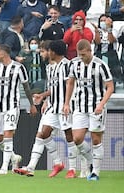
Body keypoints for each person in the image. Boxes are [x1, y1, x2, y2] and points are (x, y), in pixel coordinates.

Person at [14, 40, 77, 178]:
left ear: (52, 52)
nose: (46, 53)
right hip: (53, 105)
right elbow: (54, 88)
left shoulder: (68, 65)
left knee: (69, 136)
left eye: (48, 51)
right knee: (43, 133)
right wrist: (44, 97)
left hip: (65, 106)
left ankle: (72, 168)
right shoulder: (50, 67)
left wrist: (67, 103)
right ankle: (39, 166)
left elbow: (70, 85)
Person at [63, 39, 114, 181]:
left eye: (84, 55)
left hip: (96, 107)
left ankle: (95, 172)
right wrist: (66, 103)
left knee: (96, 139)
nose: (82, 57)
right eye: (79, 55)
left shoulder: (100, 65)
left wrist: (102, 104)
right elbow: (70, 83)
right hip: (80, 107)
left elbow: (110, 87)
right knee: (77, 138)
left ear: (90, 51)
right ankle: (91, 161)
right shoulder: (74, 64)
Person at [0, 44, 37, 175]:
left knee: (8, 134)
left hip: (12, 106)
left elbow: (26, 87)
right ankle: (14, 157)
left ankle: (4, 167)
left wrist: (32, 104)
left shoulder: (18, 68)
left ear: (3, 53)